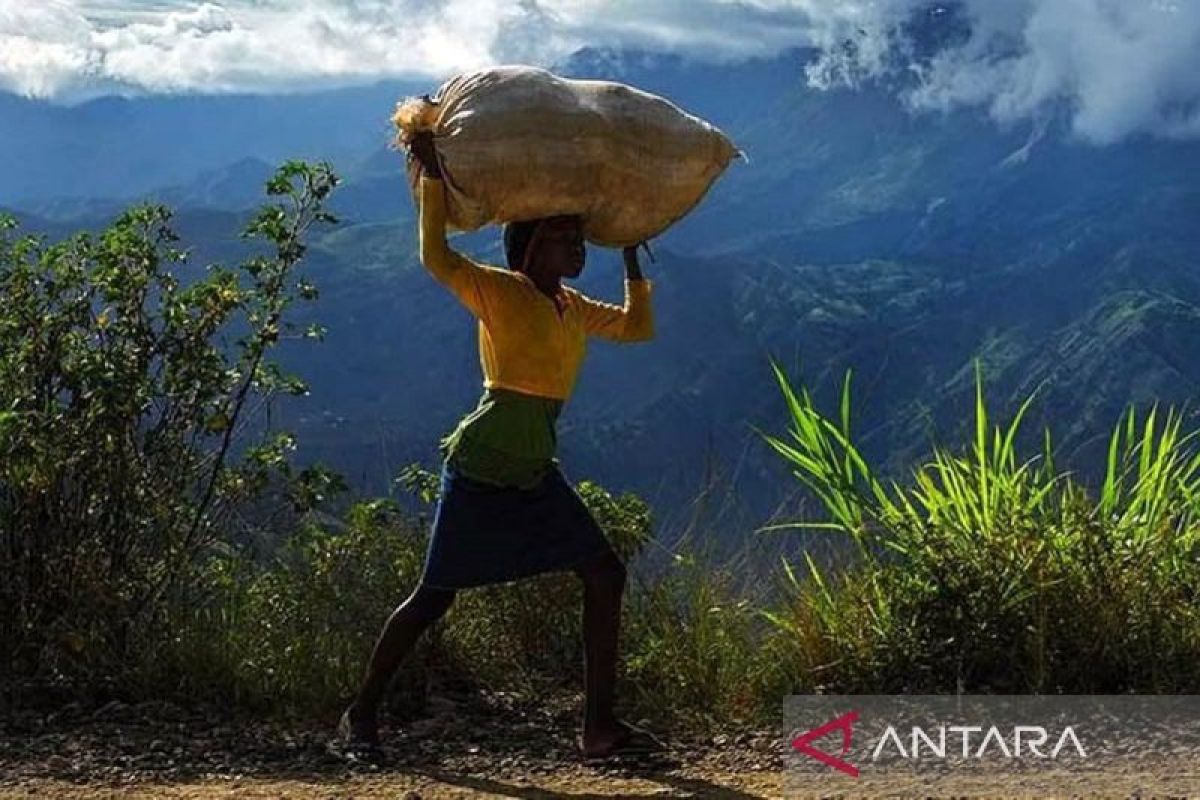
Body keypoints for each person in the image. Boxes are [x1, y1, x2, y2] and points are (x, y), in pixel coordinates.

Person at [337, 125, 663, 761]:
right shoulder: (499, 291)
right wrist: (432, 175)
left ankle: (598, 731)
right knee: (434, 598)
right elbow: (436, 256)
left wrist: (629, 255)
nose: (576, 249)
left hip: (535, 471)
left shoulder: (571, 306)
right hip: (483, 468)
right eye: (565, 239)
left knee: (604, 573)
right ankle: (361, 713)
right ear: (531, 246)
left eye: (578, 238)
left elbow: (636, 328)